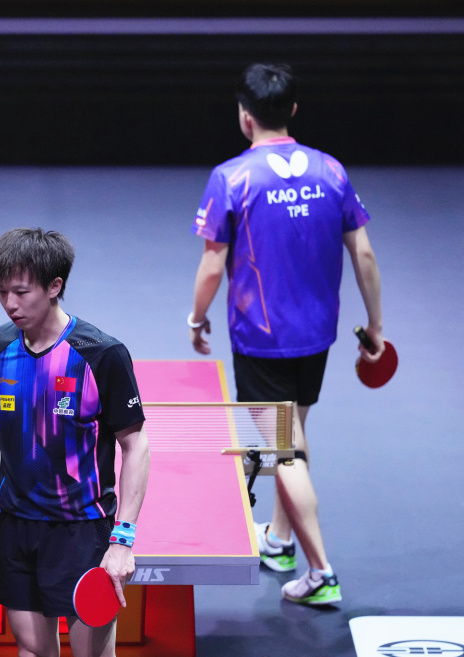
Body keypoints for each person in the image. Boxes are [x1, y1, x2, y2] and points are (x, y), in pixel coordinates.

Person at [187, 63, 383, 606]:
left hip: (261, 338)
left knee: (283, 451)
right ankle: (278, 541)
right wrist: (376, 326)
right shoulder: (331, 171)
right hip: (316, 334)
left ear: (245, 116)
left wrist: (196, 318)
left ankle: (321, 572)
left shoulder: (231, 177)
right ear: (293, 110)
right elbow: (364, 253)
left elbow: (212, 265)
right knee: (291, 433)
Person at [0, 228, 149, 657]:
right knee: (32, 649)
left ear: (54, 287)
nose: (10, 304)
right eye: (2, 292)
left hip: (82, 528)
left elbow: (135, 446)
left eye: (21, 292)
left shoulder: (101, 354)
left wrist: (122, 540)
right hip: (17, 524)